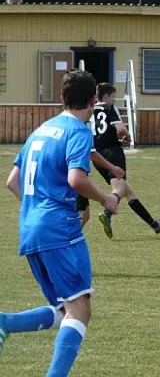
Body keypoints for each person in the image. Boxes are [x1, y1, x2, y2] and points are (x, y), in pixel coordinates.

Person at [2, 70, 119, 375]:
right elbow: (76, 179)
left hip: (31, 229)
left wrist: (39, 210)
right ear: (94, 101)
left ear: (63, 99)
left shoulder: (40, 130)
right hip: (59, 228)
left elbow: (12, 181)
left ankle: (5, 323)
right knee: (80, 309)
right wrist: (107, 199)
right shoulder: (79, 132)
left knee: (65, 309)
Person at [92, 82, 160, 238]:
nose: (113, 100)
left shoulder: (90, 111)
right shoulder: (110, 108)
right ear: (106, 97)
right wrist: (127, 136)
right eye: (112, 97)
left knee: (128, 191)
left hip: (97, 155)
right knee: (119, 190)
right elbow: (120, 129)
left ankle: (154, 224)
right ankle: (106, 213)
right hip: (112, 152)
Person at [76, 139, 125, 229]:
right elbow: (92, 154)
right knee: (79, 214)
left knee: (85, 214)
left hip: (51, 178)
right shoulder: (80, 129)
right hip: (72, 174)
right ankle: (66, 240)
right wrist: (113, 168)